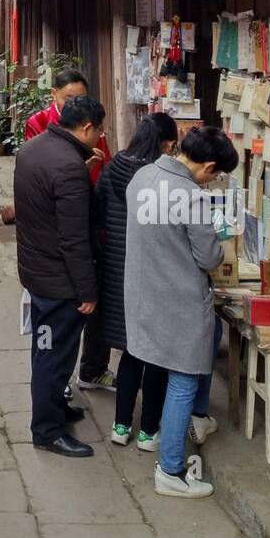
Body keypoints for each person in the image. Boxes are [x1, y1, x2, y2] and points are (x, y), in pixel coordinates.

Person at [125, 124, 238, 498]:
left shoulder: (142, 176)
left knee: (166, 371)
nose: (214, 180)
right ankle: (171, 470)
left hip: (145, 295)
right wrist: (221, 250)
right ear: (207, 166)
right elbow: (207, 256)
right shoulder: (190, 195)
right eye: (216, 174)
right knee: (184, 380)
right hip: (180, 300)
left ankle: (169, 457)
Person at [14, 94, 106, 459]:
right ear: (86, 128)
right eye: (99, 131)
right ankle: (47, 430)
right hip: (59, 281)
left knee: (46, 349)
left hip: (36, 271)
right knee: (53, 356)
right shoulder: (68, 166)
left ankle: (54, 410)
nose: (100, 138)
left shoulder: (33, 149)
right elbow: (74, 238)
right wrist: (86, 290)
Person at [24, 68, 114, 392]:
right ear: (55, 96)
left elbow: (103, 172)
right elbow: (48, 175)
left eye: (81, 97)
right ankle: (55, 390)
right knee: (64, 317)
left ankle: (91, 369)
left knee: (92, 307)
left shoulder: (92, 126)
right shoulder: (40, 125)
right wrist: (80, 168)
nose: (75, 102)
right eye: (69, 98)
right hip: (58, 227)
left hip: (89, 216)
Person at [97, 113, 178, 451]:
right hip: (152, 271)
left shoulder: (114, 167)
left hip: (117, 269)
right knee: (156, 353)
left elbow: (99, 211)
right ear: (165, 143)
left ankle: (120, 426)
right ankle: (147, 432)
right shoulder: (160, 178)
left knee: (131, 351)